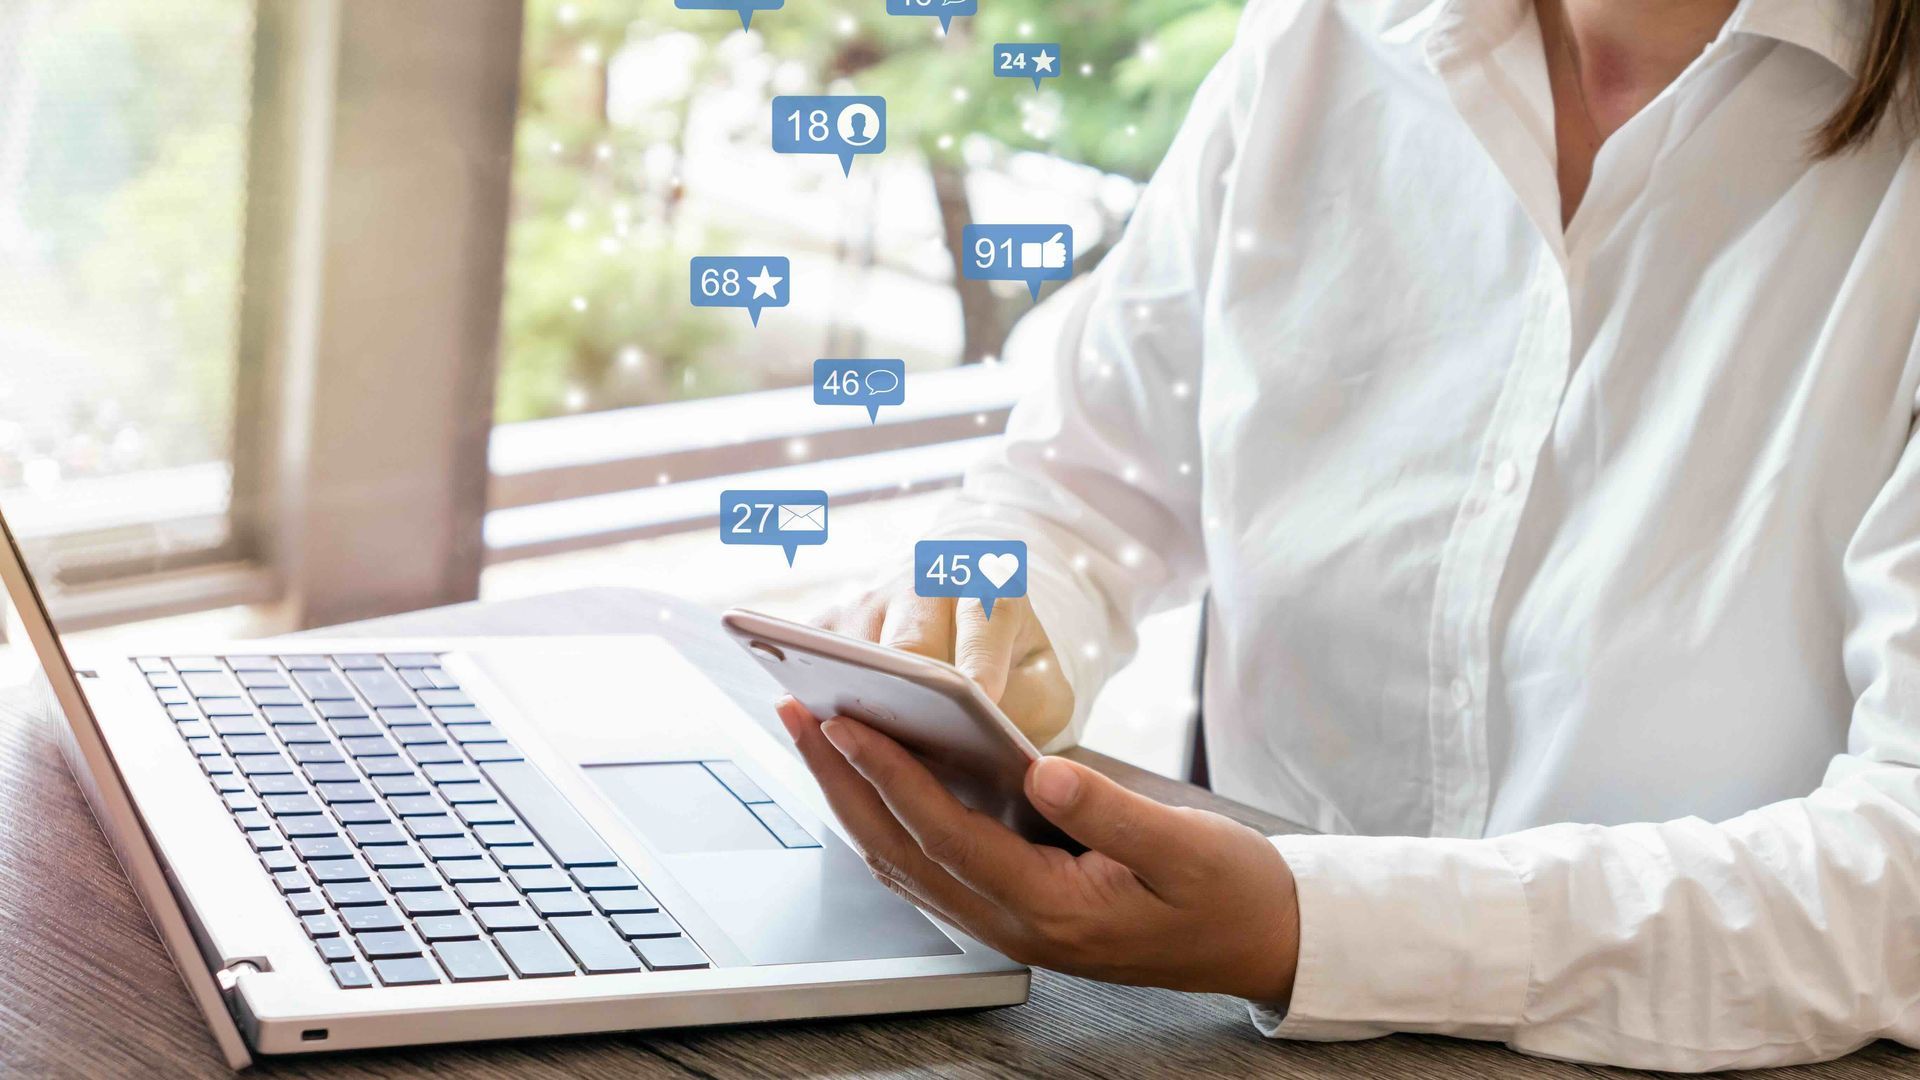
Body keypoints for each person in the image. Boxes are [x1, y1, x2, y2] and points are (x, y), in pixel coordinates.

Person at [776, 0, 1920, 1071]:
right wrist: (988, 625)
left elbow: (1900, 882)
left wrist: (1303, 928)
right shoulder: (1323, 38)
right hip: (1231, 1039)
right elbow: (1082, 483)